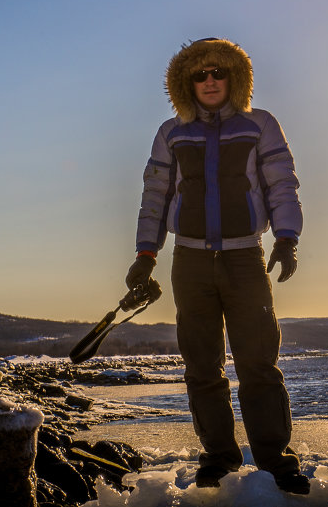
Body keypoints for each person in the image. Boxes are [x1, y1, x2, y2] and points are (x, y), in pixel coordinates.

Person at [126, 37, 309, 495]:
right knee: (201, 366)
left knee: (258, 362)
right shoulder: (172, 132)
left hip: (246, 258)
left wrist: (287, 238)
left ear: (235, 78)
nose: (209, 81)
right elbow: (155, 195)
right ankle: (219, 457)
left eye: (218, 72)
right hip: (188, 262)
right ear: (185, 83)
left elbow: (281, 183)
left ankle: (275, 459)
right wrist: (145, 254)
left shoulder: (259, 124)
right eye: (199, 75)